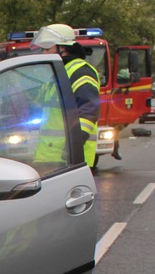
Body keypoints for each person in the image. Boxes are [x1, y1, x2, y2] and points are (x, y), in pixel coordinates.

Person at [31, 23, 101, 168]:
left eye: (47, 48)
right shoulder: (56, 74)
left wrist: (70, 150)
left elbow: (88, 114)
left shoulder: (80, 71)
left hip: (68, 161)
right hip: (50, 158)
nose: (44, 54)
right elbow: (38, 107)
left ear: (62, 47)